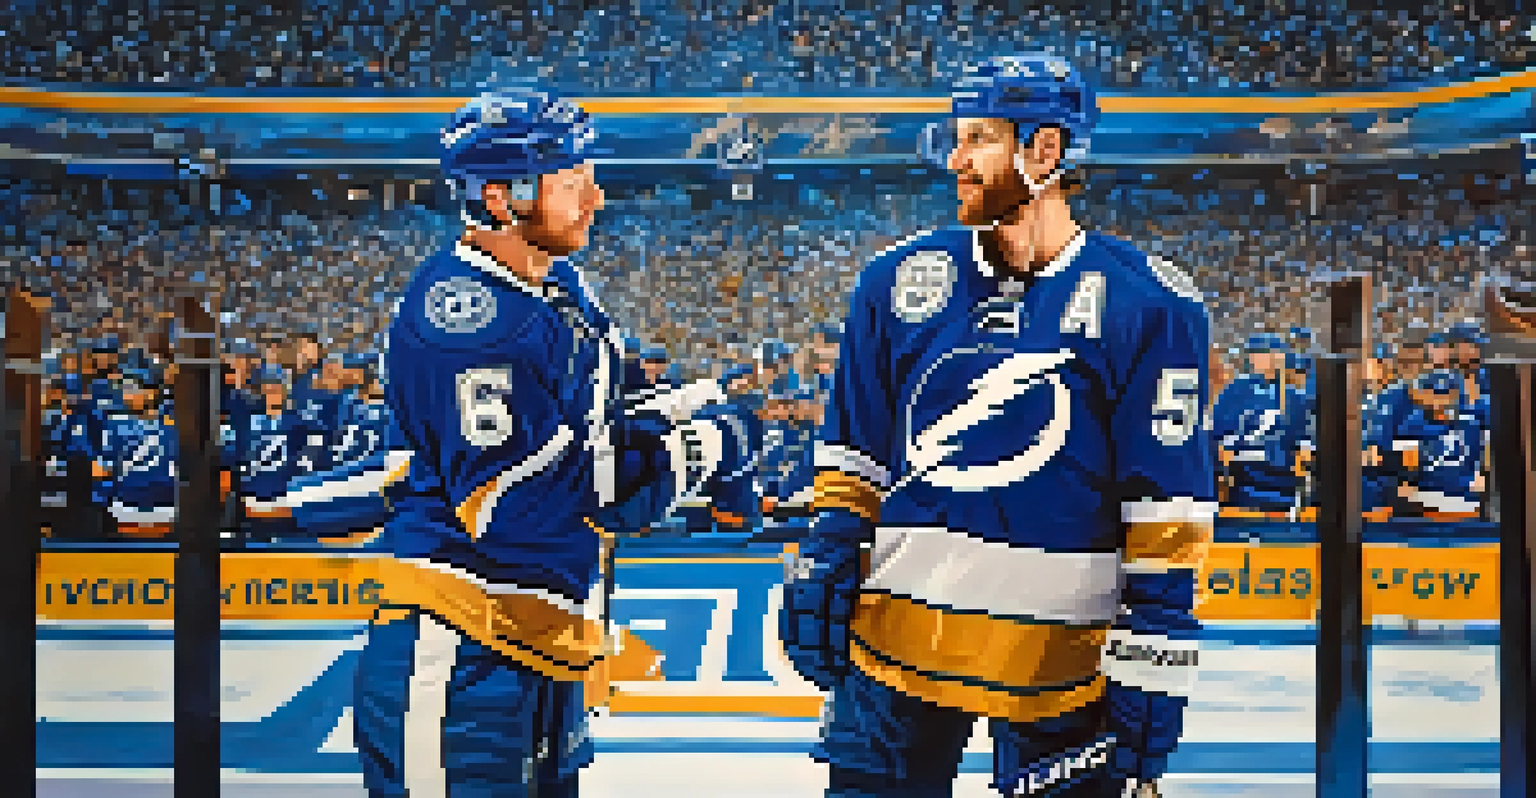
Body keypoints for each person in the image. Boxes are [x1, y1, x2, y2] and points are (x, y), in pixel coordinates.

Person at [782, 54, 1213, 797]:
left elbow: (1166, 504)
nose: (955, 160)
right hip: (895, 648)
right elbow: (855, 456)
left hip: (1067, 666)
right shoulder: (894, 281)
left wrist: (1157, 642)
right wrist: (827, 555)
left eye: (978, 138)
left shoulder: (1153, 303)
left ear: (1045, 151)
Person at [353, 89, 743, 797]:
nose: (596, 198)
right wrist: (700, 449)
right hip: (465, 648)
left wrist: (667, 416)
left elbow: (584, 427)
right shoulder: (470, 324)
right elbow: (529, 514)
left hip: (540, 641)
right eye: (573, 183)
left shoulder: (556, 282)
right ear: (502, 198)